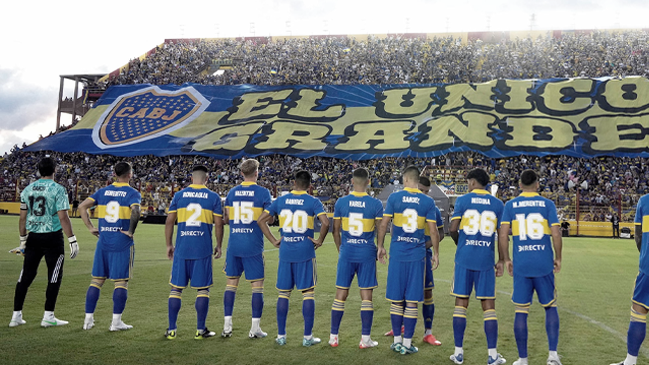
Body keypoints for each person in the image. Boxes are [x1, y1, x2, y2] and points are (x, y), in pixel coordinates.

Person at [258, 170, 330, 347]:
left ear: (294, 183)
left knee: (283, 294)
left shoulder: (281, 200)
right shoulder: (313, 201)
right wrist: (319, 240)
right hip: (305, 251)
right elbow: (326, 222)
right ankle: (307, 337)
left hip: (286, 251)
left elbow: (261, 220)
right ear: (310, 186)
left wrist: (274, 240)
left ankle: (281, 336)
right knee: (308, 294)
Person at [498, 169, 563, 365]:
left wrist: (506, 259)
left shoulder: (510, 205)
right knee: (550, 306)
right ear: (537, 185)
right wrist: (558, 257)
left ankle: (523, 359)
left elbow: (502, 235)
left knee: (521, 310)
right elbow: (557, 233)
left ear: (519, 185)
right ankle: (552, 356)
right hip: (543, 262)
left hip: (522, 264)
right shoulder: (547, 204)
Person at [9, 157, 79, 328]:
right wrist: (72, 239)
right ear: (55, 170)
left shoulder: (27, 189)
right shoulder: (58, 189)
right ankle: (48, 316)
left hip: (33, 237)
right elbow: (63, 217)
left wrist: (23, 240)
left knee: (26, 275)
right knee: (54, 276)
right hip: (52, 237)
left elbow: (22, 218)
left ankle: (16, 316)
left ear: (39, 171)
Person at [377, 165, 439, 355]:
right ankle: (407, 343)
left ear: (405, 180)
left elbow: (384, 225)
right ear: (417, 180)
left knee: (396, 300)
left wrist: (380, 246)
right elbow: (434, 230)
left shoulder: (394, 198)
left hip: (397, 254)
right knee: (412, 301)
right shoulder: (427, 201)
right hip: (416, 255)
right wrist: (436, 252)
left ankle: (396, 341)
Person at [449, 168, 506, 365]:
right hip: (485, 259)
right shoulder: (498, 204)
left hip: (464, 258)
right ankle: (492, 355)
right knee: (488, 306)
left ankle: (458, 353)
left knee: (460, 304)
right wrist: (501, 259)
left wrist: (461, 244)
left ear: (473, 182)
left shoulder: (463, 201)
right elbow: (502, 236)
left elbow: (452, 229)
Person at [78, 162, 141, 331]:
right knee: (121, 282)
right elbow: (136, 211)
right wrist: (131, 230)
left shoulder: (103, 191)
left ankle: (88, 320)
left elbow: (82, 207)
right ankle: (116, 322)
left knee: (97, 280)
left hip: (104, 241)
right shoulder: (132, 193)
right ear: (130, 175)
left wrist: (91, 227)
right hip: (122, 242)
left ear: (114, 174)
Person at [164, 165, 224, 340]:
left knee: (176, 288)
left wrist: (169, 245)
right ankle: (200, 330)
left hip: (182, 248)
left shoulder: (179, 195)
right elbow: (219, 224)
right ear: (207, 179)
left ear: (191, 178)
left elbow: (169, 222)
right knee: (203, 289)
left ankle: (171, 330)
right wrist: (219, 245)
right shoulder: (213, 197)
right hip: (202, 248)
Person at [328, 167, 383, 349]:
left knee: (340, 294)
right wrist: (380, 247)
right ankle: (365, 339)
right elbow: (380, 229)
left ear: (352, 181)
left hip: (347, 251)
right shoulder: (375, 204)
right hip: (366, 252)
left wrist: (341, 249)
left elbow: (335, 230)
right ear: (368, 182)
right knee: (366, 296)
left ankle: (333, 337)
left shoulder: (341, 202)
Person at [222, 159, 272, 339]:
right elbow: (269, 219)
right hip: (253, 246)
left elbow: (226, 218)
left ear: (242, 173)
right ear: (257, 172)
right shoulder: (263, 193)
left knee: (230, 285)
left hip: (234, 244)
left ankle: (227, 326)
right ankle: (254, 328)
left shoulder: (232, 192)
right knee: (257, 287)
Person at [610, 193, 649, 365]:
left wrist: (645, 257)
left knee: (639, 311)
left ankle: (630, 361)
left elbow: (638, 237)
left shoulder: (645, 201)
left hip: (648, 268)